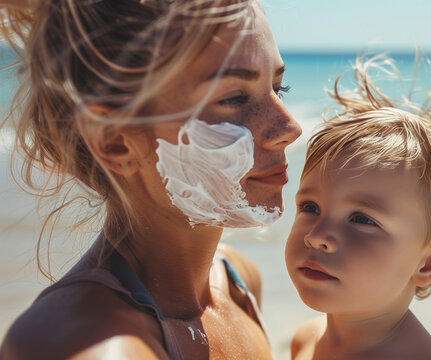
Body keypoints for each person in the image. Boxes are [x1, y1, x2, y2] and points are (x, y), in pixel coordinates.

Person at [0, 0, 301, 358]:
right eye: (234, 98)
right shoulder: (97, 346)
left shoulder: (236, 278)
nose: (289, 128)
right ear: (114, 140)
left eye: (278, 89)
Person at [285, 53, 431, 360]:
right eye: (311, 207)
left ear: (429, 262)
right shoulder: (306, 340)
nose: (316, 236)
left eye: (362, 219)